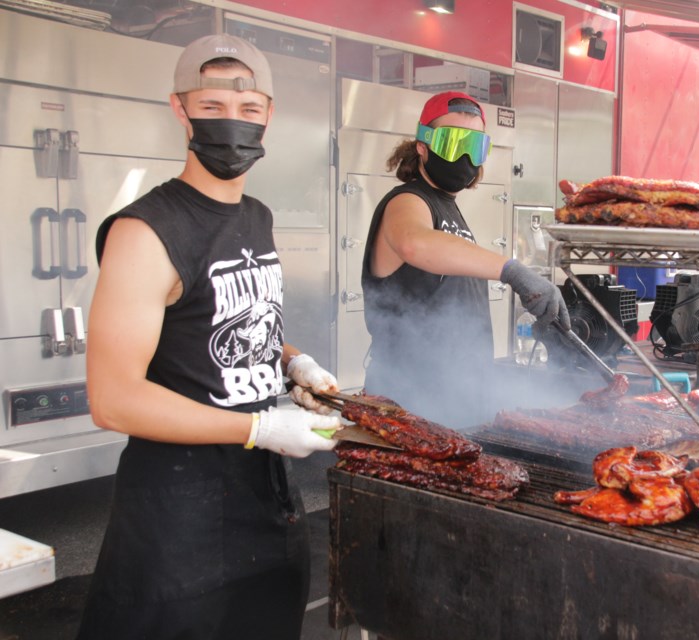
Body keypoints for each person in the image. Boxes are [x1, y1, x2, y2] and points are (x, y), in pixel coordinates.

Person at [76, 34, 340, 640]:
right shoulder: (146, 232)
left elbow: (231, 326)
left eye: (248, 111)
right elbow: (112, 399)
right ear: (180, 109)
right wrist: (261, 427)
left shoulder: (257, 217)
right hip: (176, 521)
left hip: (266, 504)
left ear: (268, 115)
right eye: (212, 107)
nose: (232, 124)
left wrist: (294, 362)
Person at [361, 91, 570, 428]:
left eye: (473, 146)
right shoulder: (408, 200)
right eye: (451, 142)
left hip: (454, 397)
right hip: (408, 401)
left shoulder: (448, 207)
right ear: (422, 146)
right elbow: (415, 244)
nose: (462, 155)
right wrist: (511, 270)